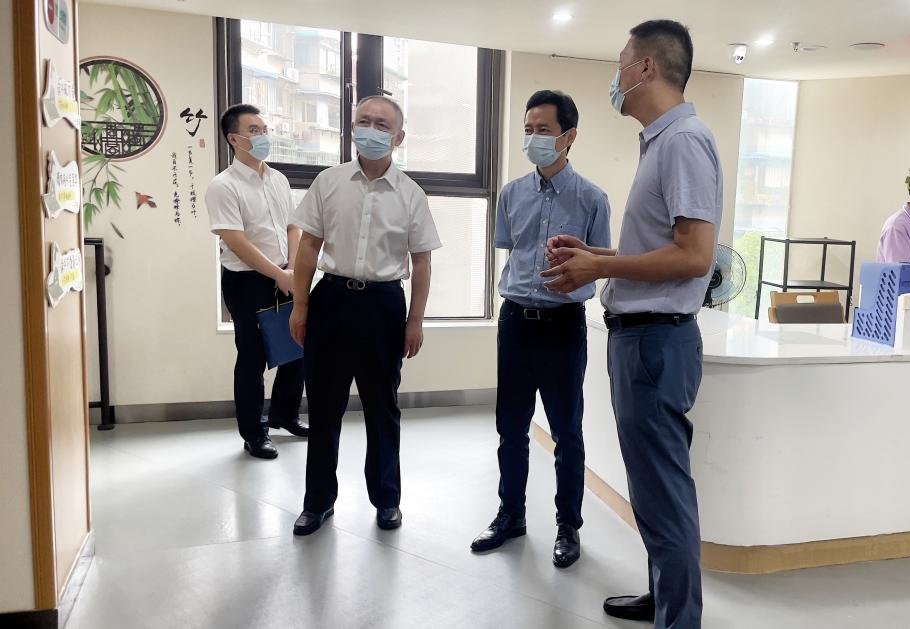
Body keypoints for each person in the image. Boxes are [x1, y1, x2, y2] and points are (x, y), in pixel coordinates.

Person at [541, 19, 721, 629]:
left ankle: (678, 618)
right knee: (651, 488)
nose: (615, 76)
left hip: (655, 340)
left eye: (621, 62)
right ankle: (663, 596)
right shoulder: (661, 141)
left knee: (663, 494)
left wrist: (601, 265)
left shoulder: (683, 141)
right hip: (643, 339)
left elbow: (694, 255)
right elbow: (663, 248)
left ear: (645, 67)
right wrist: (597, 257)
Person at [288, 95, 441, 536]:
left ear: (399, 137)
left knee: (382, 407)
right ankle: (318, 502)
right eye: (363, 121)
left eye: (382, 124)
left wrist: (415, 321)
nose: (370, 130)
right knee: (324, 406)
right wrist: (300, 304)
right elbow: (308, 247)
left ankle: (387, 499)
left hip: (383, 306)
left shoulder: (410, 194)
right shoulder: (329, 181)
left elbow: (422, 262)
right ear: (352, 127)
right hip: (331, 300)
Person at [470, 90, 611, 568]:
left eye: (543, 130)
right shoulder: (512, 194)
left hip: (562, 325)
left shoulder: (592, 199)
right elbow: (511, 249)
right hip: (515, 322)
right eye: (528, 130)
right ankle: (510, 515)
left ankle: (568, 526)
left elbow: (601, 262)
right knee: (510, 427)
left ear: (568, 137)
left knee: (567, 432)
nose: (533, 138)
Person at [206, 103, 309, 460]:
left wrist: (292, 269)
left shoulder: (278, 179)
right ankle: (254, 432)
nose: (263, 136)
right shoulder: (223, 186)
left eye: (264, 130)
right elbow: (235, 241)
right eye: (254, 131)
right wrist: (279, 274)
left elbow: (293, 227)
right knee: (253, 357)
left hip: (286, 274)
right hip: (246, 281)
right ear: (233, 139)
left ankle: (285, 415)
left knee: (297, 346)